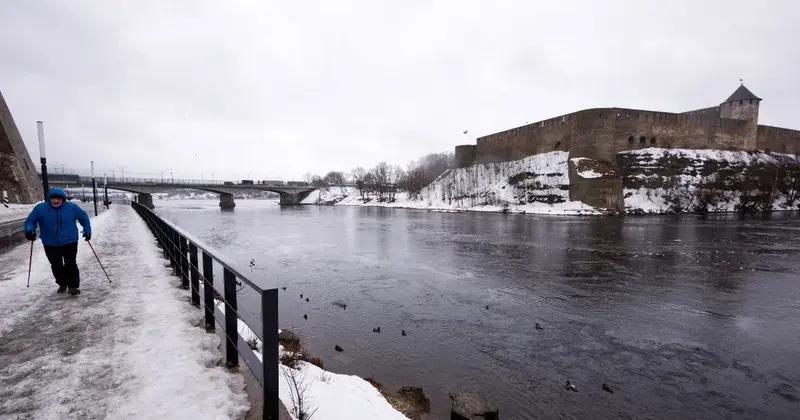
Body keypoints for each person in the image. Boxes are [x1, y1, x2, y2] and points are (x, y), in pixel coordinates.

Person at [24, 187, 92, 296]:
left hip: (69, 241)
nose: (56, 201)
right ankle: (62, 283)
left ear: (63, 199)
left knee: (70, 264)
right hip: (49, 243)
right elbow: (30, 221)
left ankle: (73, 286)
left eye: (59, 199)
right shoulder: (40, 208)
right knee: (56, 265)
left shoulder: (72, 207)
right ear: (49, 199)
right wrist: (29, 230)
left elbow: (84, 218)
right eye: (53, 199)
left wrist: (87, 231)